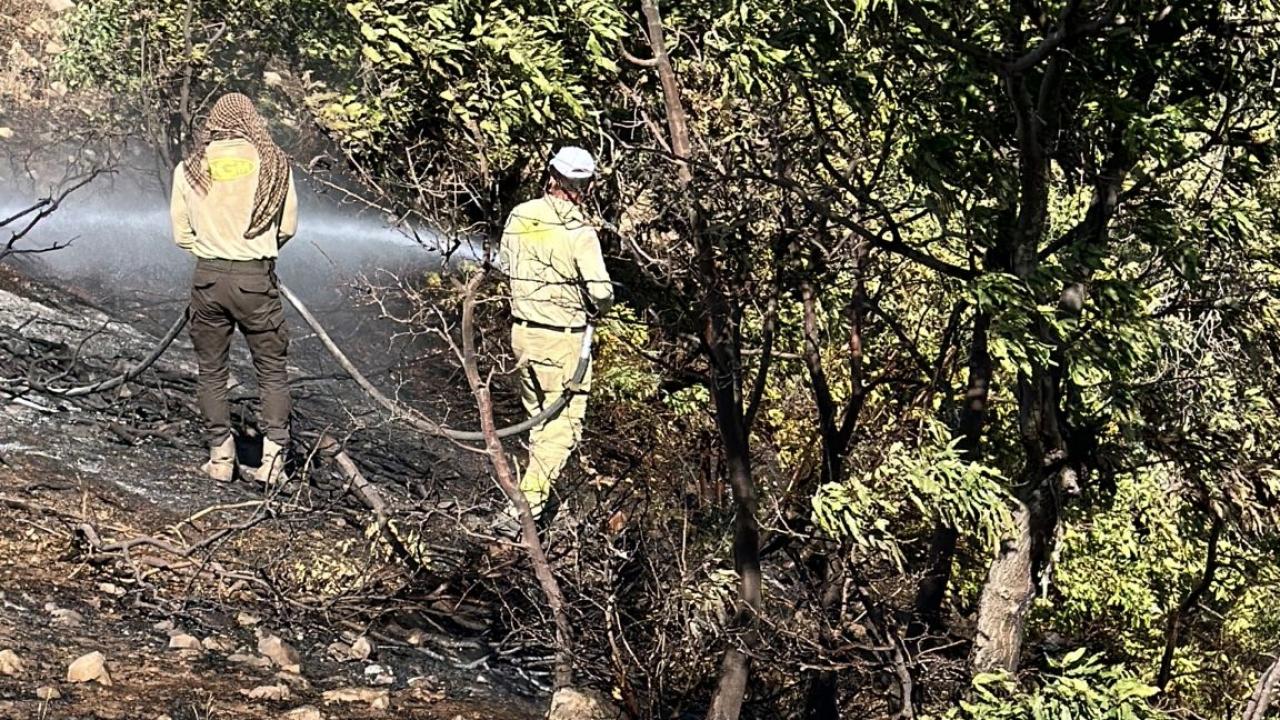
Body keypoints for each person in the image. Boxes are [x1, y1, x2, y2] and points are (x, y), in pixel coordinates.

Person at [169, 93, 298, 485]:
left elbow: (181, 235)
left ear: (214, 123)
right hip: (256, 280)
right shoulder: (274, 164)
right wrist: (251, 252)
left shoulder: (191, 167)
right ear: (251, 121)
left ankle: (221, 459)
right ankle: (273, 462)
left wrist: (213, 252)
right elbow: (288, 228)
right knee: (272, 372)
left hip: (207, 280)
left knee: (211, 371)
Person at [499, 146, 613, 520]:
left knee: (540, 424)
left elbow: (505, 265)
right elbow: (601, 292)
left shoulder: (520, 215)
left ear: (551, 174)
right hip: (562, 342)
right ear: (588, 185)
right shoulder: (579, 231)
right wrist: (600, 303)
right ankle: (523, 511)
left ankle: (538, 505)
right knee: (562, 429)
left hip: (522, 338)